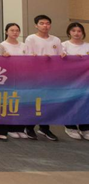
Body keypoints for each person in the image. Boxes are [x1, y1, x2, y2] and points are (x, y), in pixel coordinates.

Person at [24, 14, 63, 142]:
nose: (45, 26)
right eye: (42, 23)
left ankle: (45, 128)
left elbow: (60, 57)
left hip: (51, 77)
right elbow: (27, 57)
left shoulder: (56, 40)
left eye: (47, 23)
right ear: (36, 25)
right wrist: (40, 58)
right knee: (34, 102)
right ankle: (29, 127)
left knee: (48, 102)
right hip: (35, 76)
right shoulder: (31, 39)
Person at [0, 23, 29, 140]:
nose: (15, 32)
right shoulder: (2, 45)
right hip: (8, 78)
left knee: (21, 102)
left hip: (23, 78)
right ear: (6, 32)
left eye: (17, 30)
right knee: (10, 102)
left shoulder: (24, 45)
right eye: (12, 30)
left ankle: (20, 128)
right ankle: (10, 128)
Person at [62, 22, 89, 140]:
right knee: (70, 102)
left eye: (79, 31)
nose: (76, 33)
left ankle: (85, 127)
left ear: (83, 33)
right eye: (73, 31)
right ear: (69, 32)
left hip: (85, 81)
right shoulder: (63, 45)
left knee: (85, 103)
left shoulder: (87, 46)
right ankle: (70, 126)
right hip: (69, 80)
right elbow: (59, 62)